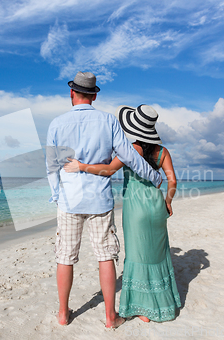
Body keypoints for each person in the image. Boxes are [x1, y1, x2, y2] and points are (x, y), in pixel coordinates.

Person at [46, 72, 162, 328]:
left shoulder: (56, 124)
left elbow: (51, 168)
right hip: (99, 199)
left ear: (72, 93)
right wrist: (153, 176)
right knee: (105, 256)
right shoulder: (108, 121)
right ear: (95, 95)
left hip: (69, 201)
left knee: (65, 256)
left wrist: (57, 195)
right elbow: (129, 157)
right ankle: (110, 317)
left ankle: (64, 314)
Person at [64, 104, 181, 322]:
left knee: (137, 255)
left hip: (136, 210)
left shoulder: (130, 149)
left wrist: (81, 166)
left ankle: (142, 309)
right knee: (157, 254)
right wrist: (168, 201)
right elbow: (172, 180)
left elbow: (107, 170)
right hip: (156, 206)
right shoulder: (163, 152)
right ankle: (161, 303)